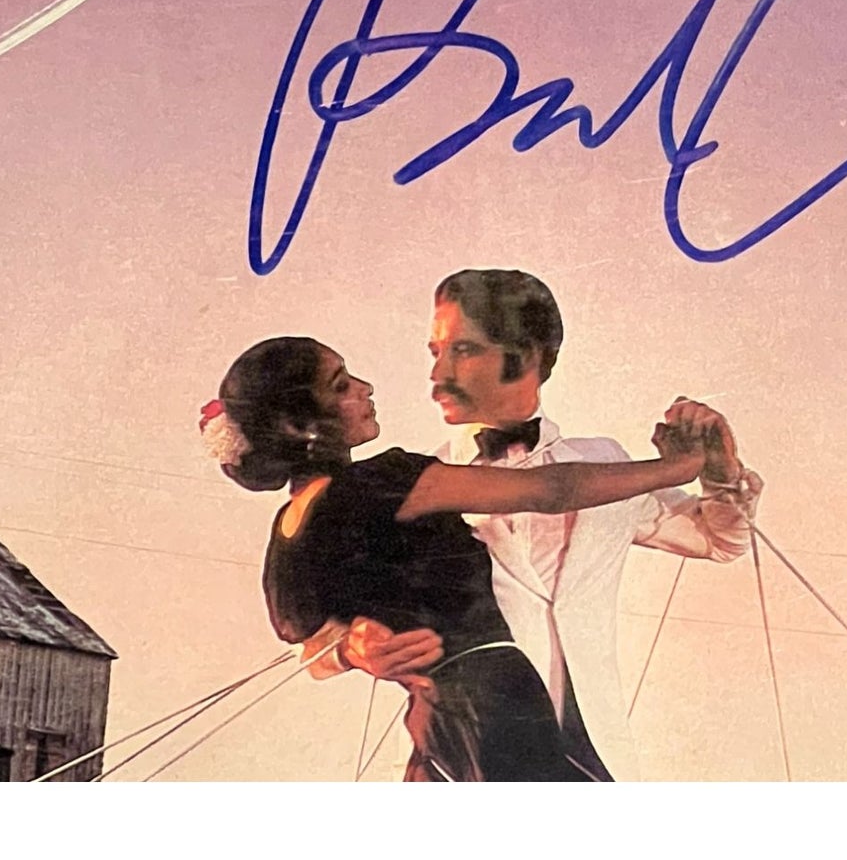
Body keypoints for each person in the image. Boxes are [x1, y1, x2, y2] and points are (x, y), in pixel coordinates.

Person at [201, 333, 706, 781]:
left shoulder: (288, 533)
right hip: (497, 706)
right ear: (301, 426)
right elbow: (552, 488)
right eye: (341, 386)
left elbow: (311, 646)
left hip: (438, 721)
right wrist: (677, 468)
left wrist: (352, 651)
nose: (365, 388)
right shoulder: (384, 482)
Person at [340, 269, 761, 781]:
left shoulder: (605, 463)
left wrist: (720, 471)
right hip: (461, 762)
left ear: (528, 357)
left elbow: (720, 539)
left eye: (463, 350)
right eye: (436, 351)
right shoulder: (421, 484)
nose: (438, 375)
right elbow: (324, 614)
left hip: (592, 755)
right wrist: (351, 648)